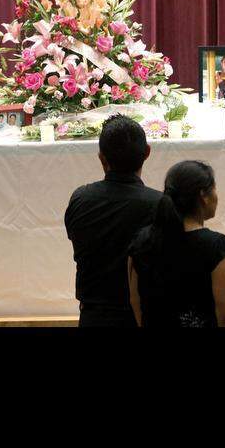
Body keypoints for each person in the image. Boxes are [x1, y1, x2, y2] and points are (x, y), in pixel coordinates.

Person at [64, 114, 162, 327]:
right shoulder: (160, 205)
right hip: (143, 316)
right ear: (147, 153)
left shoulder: (81, 198)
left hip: (93, 314)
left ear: (101, 157)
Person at [128, 161, 225, 327]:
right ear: (203, 196)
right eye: (214, 189)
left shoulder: (141, 242)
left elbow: (136, 304)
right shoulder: (217, 247)